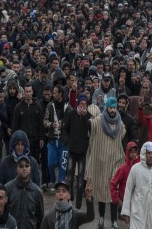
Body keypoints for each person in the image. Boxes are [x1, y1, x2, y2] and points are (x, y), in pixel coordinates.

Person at [84, 97, 126, 225]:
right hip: (101, 164)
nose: (112, 110)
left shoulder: (120, 124)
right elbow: (89, 124)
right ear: (107, 108)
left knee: (114, 192)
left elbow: (123, 136)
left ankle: (113, 220)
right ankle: (101, 217)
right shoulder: (98, 120)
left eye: (114, 107)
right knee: (102, 191)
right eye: (110, 107)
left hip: (115, 162)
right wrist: (83, 114)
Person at [61, 94, 91, 209]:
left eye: (85, 104)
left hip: (82, 152)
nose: (83, 106)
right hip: (72, 151)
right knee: (69, 178)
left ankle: (78, 205)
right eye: (81, 104)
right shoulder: (71, 114)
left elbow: (90, 131)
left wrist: (84, 118)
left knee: (80, 182)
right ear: (78, 104)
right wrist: (68, 140)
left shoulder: (88, 116)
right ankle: (70, 200)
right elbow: (65, 129)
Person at [5, 155, 44, 229]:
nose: (24, 168)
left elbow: (40, 219)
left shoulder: (37, 191)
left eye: (27, 166)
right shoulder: (8, 189)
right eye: (21, 166)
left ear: (30, 168)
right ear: (17, 169)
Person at [110, 142, 139, 229]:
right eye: (131, 152)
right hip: (123, 198)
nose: (133, 154)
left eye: (135, 152)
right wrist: (117, 200)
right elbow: (113, 184)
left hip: (134, 199)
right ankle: (114, 221)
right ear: (127, 152)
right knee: (113, 201)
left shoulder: (138, 167)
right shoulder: (123, 168)